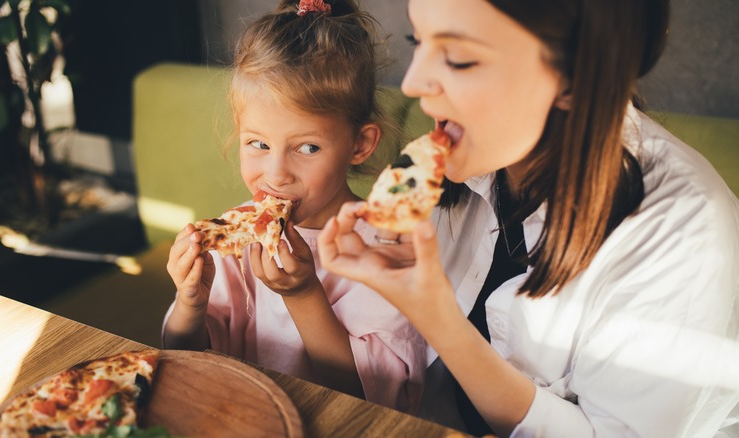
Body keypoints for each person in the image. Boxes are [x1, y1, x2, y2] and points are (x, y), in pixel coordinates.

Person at [317, 0, 739, 436]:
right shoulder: (468, 160)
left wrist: (435, 316)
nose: (413, 83)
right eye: (418, 41)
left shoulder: (681, 230)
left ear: (575, 76)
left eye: (458, 58)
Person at [162, 0, 426, 413]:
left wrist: (303, 294)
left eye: (308, 147)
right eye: (259, 144)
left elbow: (373, 395)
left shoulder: (387, 250)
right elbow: (182, 354)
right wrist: (190, 303)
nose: (277, 173)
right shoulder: (237, 238)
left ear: (360, 144)